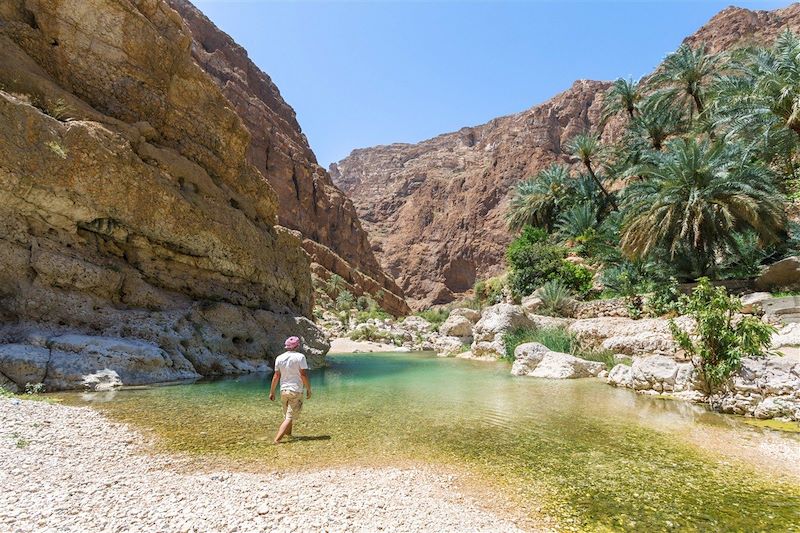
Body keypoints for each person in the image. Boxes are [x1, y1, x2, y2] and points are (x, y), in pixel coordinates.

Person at [269, 336, 312, 443]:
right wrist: (308, 389)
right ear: (297, 346)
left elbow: (276, 376)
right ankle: (277, 440)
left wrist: (272, 391)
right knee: (289, 417)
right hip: (295, 390)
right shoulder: (300, 357)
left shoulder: (279, 358)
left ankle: (289, 435)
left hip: (283, 390)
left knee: (287, 415)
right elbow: (303, 375)